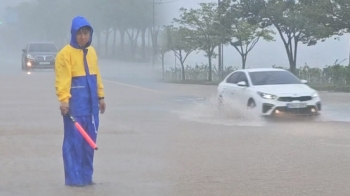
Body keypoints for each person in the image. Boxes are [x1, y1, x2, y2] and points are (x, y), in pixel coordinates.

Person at [54, 16, 106, 187]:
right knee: (73, 145)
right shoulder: (64, 55)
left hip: (91, 109)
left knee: (88, 147)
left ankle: (86, 178)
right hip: (74, 108)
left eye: (86, 33)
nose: (83, 37)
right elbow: (63, 80)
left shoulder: (92, 53)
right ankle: (74, 181)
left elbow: (96, 76)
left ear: (90, 34)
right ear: (73, 34)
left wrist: (101, 97)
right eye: (80, 33)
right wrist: (64, 101)